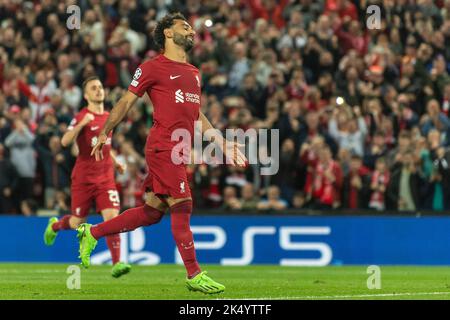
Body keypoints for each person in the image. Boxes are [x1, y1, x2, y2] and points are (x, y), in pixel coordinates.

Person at [76, 13, 246, 294]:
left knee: (152, 212)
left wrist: (222, 142)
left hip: (178, 149)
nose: (191, 31)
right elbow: (126, 102)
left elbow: (196, 115)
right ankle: (194, 274)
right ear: (168, 33)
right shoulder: (152, 68)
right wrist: (105, 131)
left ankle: (91, 233)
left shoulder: (193, 72)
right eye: (185, 26)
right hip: (162, 145)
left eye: (191, 27)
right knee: (183, 203)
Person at [42, 76, 131, 278]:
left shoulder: (110, 116)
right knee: (76, 221)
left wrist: (116, 162)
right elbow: (65, 141)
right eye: (94, 88)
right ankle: (54, 225)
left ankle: (117, 263)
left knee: (112, 218)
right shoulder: (82, 115)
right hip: (83, 178)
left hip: (105, 177)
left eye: (100, 87)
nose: (99, 90)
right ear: (86, 95)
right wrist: (82, 123)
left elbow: (105, 145)